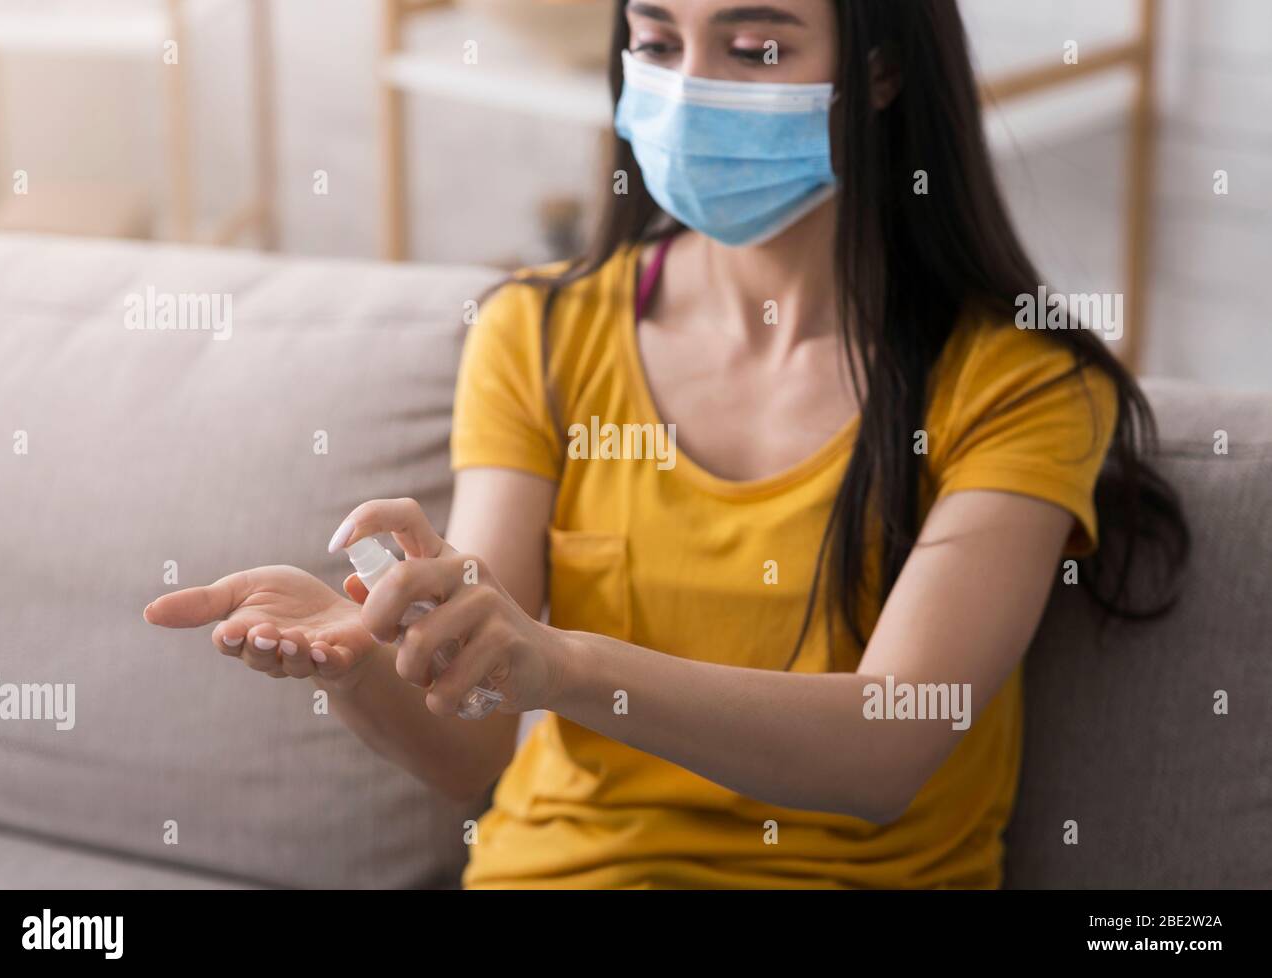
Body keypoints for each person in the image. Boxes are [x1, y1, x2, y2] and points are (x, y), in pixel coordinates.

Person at [145, 0, 1187, 888]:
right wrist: (359, 664)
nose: (692, 90)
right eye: (655, 42)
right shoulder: (539, 336)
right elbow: (472, 744)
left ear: (878, 71)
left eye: (758, 48)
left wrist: (562, 662)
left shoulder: (1021, 381)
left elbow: (887, 745)